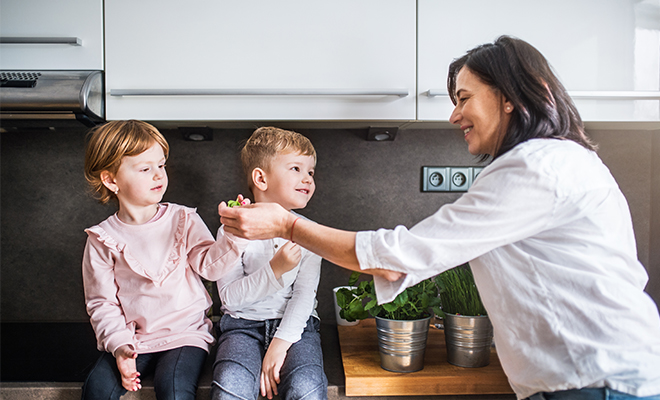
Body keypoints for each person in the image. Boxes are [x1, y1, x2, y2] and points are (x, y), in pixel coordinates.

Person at [217, 36, 660, 400]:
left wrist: (288, 226)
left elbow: (398, 258)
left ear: (508, 97)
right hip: (593, 377)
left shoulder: (535, 167)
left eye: (464, 98)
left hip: (596, 382)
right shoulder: (558, 159)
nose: (454, 115)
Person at [81, 120, 248, 400]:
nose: (159, 175)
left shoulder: (183, 219)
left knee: (173, 389)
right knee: (97, 389)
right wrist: (120, 346)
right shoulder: (102, 239)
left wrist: (234, 235)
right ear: (111, 180)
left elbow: (210, 267)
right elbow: (102, 302)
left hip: (185, 334)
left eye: (161, 165)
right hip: (134, 339)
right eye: (145, 169)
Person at [211, 127, 328, 400]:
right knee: (229, 386)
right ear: (261, 178)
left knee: (307, 388)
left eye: (310, 172)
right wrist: (276, 270)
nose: (308, 179)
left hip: (298, 328)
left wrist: (280, 344)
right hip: (241, 326)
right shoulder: (232, 230)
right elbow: (230, 299)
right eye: (296, 168)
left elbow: (304, 295)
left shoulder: (311, 233)